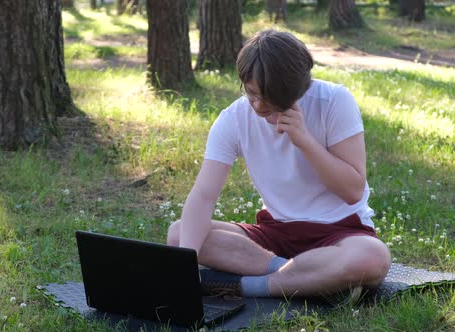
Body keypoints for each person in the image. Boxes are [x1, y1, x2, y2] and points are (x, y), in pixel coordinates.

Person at [167, 30, 391, 300]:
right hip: (275, 235)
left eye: (271, 98)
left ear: (298, 88)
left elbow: (353, 190)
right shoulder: (234, 118)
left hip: (341, 232)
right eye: (251, 94)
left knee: (372, 257)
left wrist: (305, 141)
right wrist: (184, 269)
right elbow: (203, 195)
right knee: (180, 234)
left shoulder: (333, 101)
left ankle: (251, 287)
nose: (259, 106)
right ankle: (308, 279)